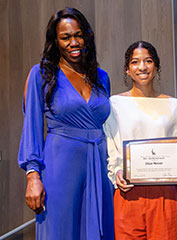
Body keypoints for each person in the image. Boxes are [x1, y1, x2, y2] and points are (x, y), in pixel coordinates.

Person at [18, 7, 114, 240]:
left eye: (78, 35)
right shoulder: (41, 74)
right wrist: (33, 176)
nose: (74, 42)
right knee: (59, 231)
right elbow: (31, 126)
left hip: (99, 166)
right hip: (60, 165)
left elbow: (110, 128)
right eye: (66, 37)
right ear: (56, 41)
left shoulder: (101, 77)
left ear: (87, 36)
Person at [103, 40, 177, 240]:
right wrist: (116, 172)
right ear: (127, 69)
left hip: (165, 193)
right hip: (128, 191)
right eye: (135, 62)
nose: (142, 67)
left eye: (148, 61)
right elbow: (112, 148)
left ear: (156, 66)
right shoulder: (114, 105)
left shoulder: (175, 106)